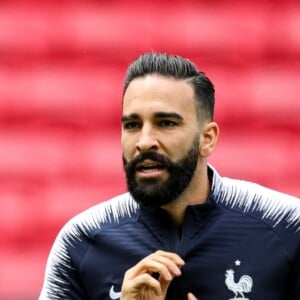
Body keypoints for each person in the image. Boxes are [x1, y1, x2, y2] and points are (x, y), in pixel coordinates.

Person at [39, 52, 300, 300]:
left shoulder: (287, 226)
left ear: (206, 139)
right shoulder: (81, 241)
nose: (144, 142)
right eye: (132, 125)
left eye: (166, 123)